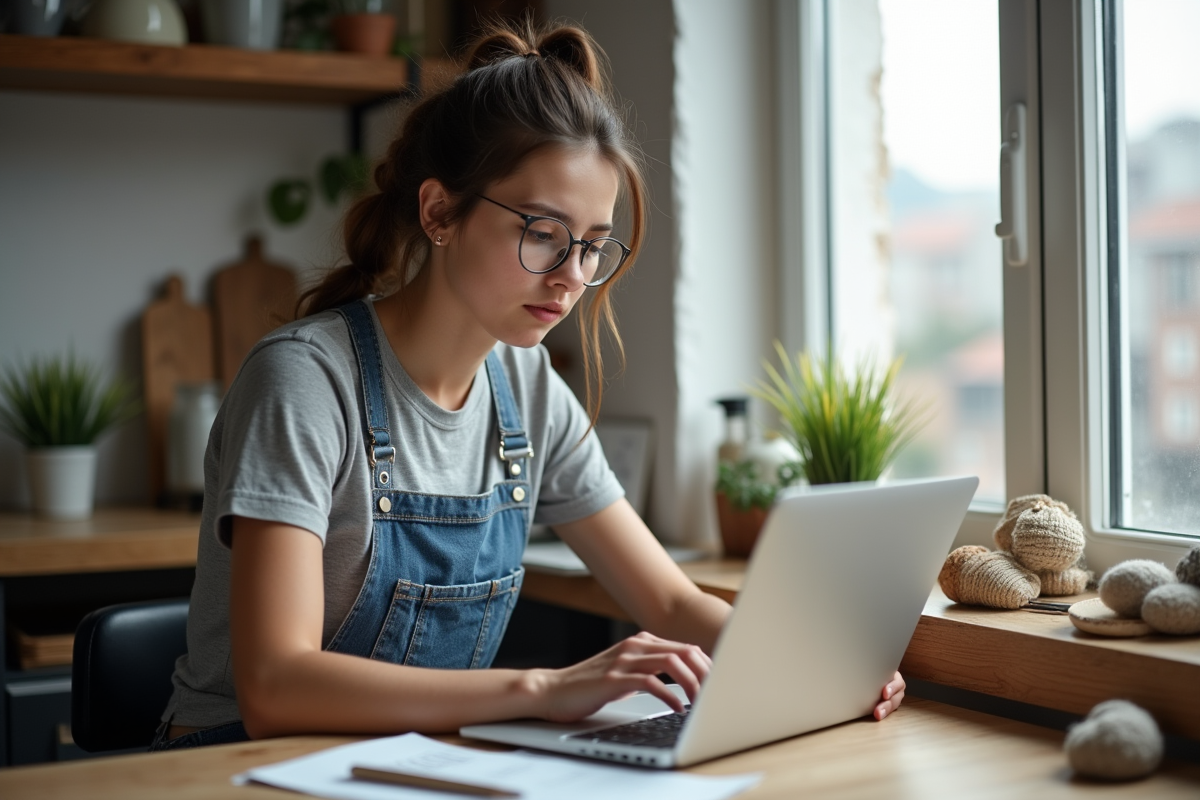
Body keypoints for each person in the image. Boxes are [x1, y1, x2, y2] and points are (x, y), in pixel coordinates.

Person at [152, 20, 906, 750]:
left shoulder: (525, 384)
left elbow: (670, 600)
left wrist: (820, 667)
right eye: (543, 234)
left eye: (592, 246)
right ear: (440, 210)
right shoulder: (306, 381)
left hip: (409, 761)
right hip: (230, 762)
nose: (573, 276)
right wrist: (543, 691)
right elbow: (275, 687)